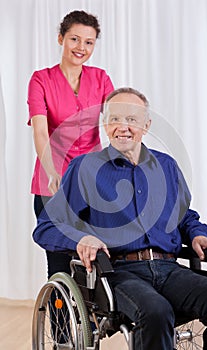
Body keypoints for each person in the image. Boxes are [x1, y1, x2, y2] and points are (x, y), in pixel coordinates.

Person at [33, 87, 207, 350]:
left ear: (146, 125)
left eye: (132, 119)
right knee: (156, 311)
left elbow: (184, 217)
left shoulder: (166, 166)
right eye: (115, 118)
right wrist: (82, 238)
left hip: (169, 269)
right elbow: (47, 225)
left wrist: (198, 234)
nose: (122, 127)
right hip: (117, 273)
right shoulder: (86, 168)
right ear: (105, 124)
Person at [27, 10, 114, 279]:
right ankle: (60, 320)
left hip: (91, 183)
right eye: (75, 39)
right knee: (60, 264)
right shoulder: (41, 79)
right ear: (60, 39)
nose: (81, 48)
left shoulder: (100, 78)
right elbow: (41, 132)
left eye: (89, 42)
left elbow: (116, 123)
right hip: (52, 182)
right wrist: (53, 172)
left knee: (97, 260)